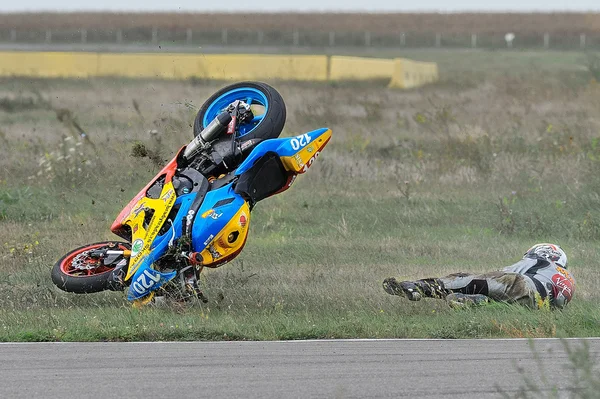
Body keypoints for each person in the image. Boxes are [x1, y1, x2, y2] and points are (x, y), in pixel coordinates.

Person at [383, 243, 575, 309]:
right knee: (501, 304)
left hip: (523, 284)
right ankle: (478, 302)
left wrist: (492, 275)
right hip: (537, 305)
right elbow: (558, 305)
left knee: (468, 279)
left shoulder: (541, 260)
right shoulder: (567, 280)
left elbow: (513, 272)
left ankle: (417, 288)